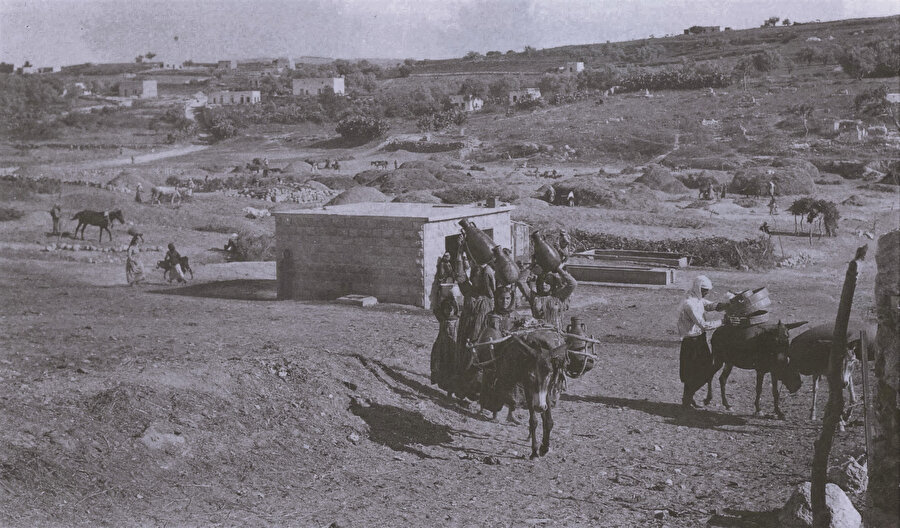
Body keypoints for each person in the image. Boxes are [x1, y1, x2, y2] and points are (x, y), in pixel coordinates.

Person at [676, 275, 727, 409]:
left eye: (707, 290)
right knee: (697, 371)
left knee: (698, 370)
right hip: (692, 341)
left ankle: (688, 398)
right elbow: (703, 325)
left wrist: (722, 305)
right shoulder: (689, 304)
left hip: (699, 339)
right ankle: (687, 398)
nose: (706, 293)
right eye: (704, 290)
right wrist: (722, 322)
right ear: (698, 288)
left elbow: (708, 305)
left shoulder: (696, 299)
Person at [518, 266, 577, 330]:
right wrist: (531, 266)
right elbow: (521, 282)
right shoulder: (533, 297)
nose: (544, 284)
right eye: (541, 282)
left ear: (552, 284)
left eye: (547, 282)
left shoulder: (560, 296)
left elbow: (573, 284)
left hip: (556, 333)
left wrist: (558, 269)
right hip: (537, 332)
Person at [431, 295, 461, 396]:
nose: (448, 312)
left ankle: (452, 391)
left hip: (454, 348)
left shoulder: (458, 321)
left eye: (450, 309)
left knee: (453, 369)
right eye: (446, 309)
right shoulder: (442, 319)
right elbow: (435, 309)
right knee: (444, 368)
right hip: (443, 348)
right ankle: (447, 389)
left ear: (455, 309)